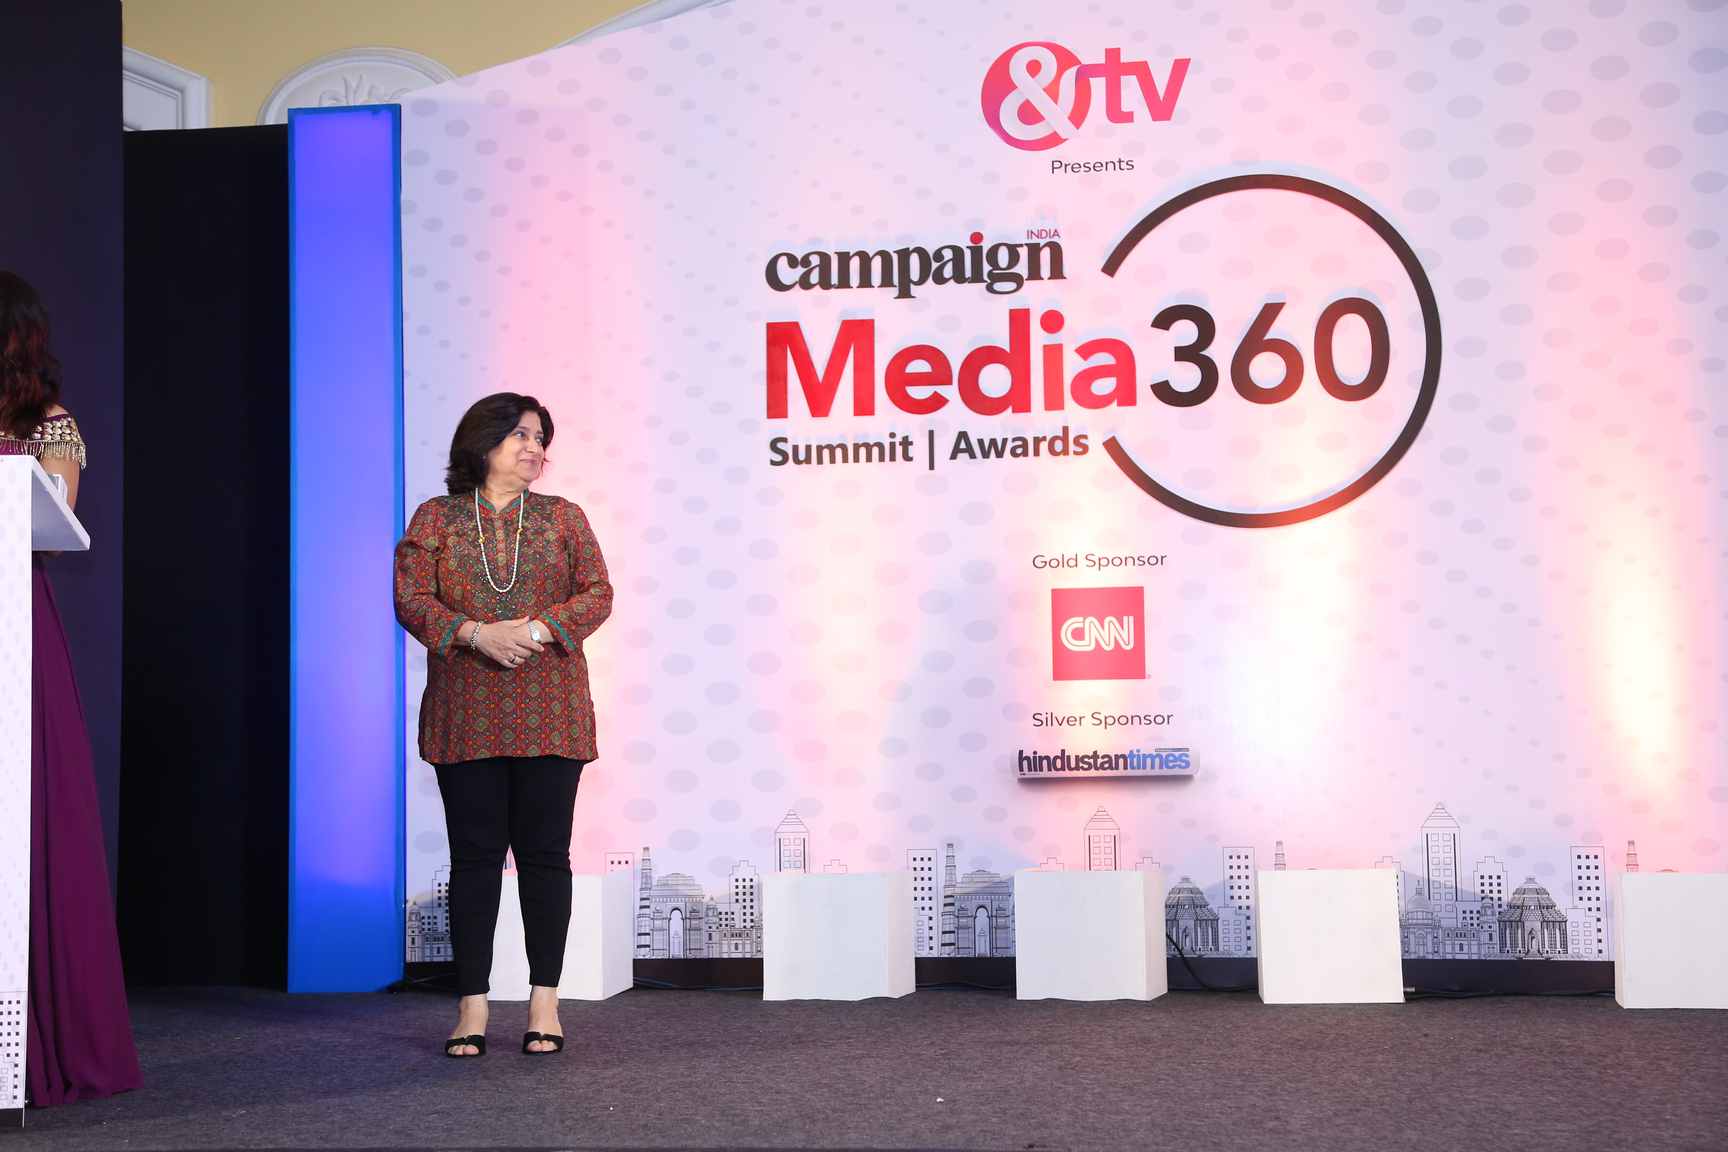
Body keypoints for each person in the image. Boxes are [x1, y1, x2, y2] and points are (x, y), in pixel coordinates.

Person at [395, 392, 613, 1057]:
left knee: (545, 856)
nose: (534, 448)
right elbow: (411, 598)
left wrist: (537, 630)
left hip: (551, 709)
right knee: (475, 859)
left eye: (541, 438)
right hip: (466, 710)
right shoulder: (437, 518)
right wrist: (475, 633)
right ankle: (472, 1006)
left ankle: (545, 1002)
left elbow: (597, 592)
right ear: (482, 441)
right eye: (521, 434)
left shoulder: (563, 516)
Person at [0, 270, 142, 1105]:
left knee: (26, 812)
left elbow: (55, 525)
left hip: (15, 622)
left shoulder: (48, 423)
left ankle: (32, 1039)